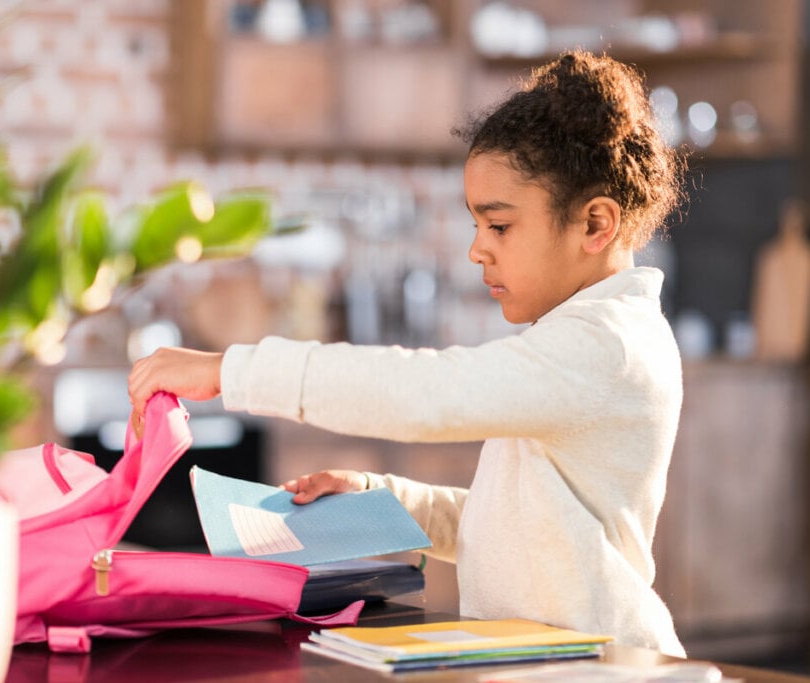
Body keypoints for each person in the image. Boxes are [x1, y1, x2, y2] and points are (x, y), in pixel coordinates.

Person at [128, 50, 687, 657]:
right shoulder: (584, 337)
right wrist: (384, 499)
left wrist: (228, 369)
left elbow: (430, 393)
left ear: (595, 225)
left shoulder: (608, 345)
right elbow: (523, 529)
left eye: (498, 227)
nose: (477, 250)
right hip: (546, 662)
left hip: (602, 666)